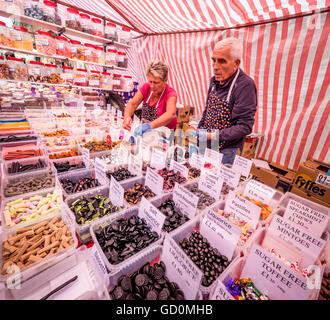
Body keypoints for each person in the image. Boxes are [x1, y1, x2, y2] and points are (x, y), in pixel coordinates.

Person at [196, 37, 257, 165]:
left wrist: (213, 135)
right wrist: (200, 127)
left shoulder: (245, 86)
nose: (215, 67)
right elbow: (208, 110)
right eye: (214, 61)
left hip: (225, 150)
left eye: (222, 61)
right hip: (205, 142)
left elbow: (244, 126)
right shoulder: (214, 81)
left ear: (236, 63)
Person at [122, 61, 177, 137]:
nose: (152, 86)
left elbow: (171, 114)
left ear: (165, 80)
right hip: (147, 135)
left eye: (156, 82)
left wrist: (149, 126)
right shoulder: (146, 87)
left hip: (163, 137)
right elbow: (132, 104)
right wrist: (127, 117)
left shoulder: (170, 93)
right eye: (150, 81)